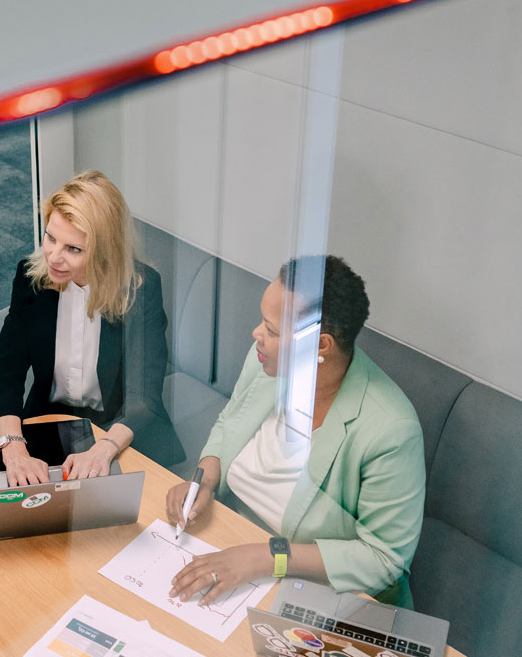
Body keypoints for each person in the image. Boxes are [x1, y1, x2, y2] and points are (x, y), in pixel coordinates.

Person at [162, 256, 425, 608]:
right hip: (229, 539)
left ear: (320, 346)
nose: (257, 334)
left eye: (272, 330)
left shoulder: (390, 430)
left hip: (321, 594)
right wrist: (205, 479)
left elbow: (384, 560)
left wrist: (267, 557)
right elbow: (229, 423)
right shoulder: (266, 361)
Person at [0, 171, 181, 487]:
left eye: (73, 249)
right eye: (51, 238)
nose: (53, 257)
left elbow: (143, 398)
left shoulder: (141, 290)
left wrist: (102, 450)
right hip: (48, 421)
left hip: (117, 428)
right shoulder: (30, 278)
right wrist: (13, 446)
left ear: (106, 251)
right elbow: (6, 373)